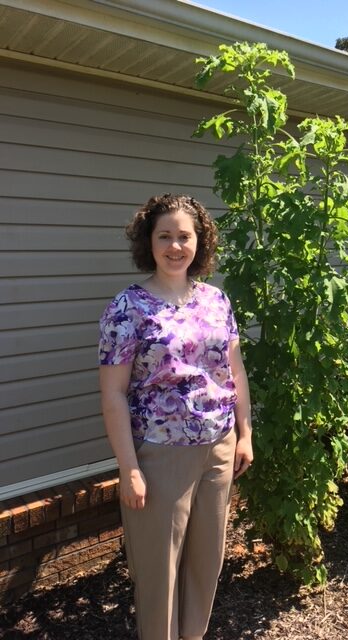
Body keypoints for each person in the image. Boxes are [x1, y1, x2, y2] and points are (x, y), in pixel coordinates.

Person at [98, 194, 253, 640]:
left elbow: (234, 370)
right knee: (158, 574)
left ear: (198, 242)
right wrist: (129, 468)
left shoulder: (216, 300)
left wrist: (245, 433)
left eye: (184, 236)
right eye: (164, 235)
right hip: (160, 456)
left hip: (219, 449)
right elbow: (113, 394)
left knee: (206, 564)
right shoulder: (127, 308)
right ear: (148, 242)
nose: (174, 246)